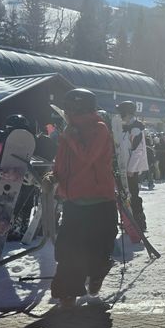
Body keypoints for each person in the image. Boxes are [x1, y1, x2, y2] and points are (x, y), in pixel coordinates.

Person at [44, 88, 117, 309]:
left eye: (66, 109)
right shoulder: (70, 130)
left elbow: (87, 157)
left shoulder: (99, 129)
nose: (64, 113)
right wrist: (53, 175)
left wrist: (71, 137)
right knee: (69, 250)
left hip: (99, 200)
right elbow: (64, 162)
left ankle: (96, 276)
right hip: (74, 201)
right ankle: (67, 294)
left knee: (98, 250)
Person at [116, 101, 148, 232]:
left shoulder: (135, 128)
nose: (120, 115)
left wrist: (131, 169)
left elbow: (138, 151)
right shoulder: (125, 127)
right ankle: (129, 220)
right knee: (125, 195)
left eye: (121, 112)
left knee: (133, 195)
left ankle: (139, 221)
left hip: (131, 170)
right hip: (124, 168)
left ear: (127, 113)